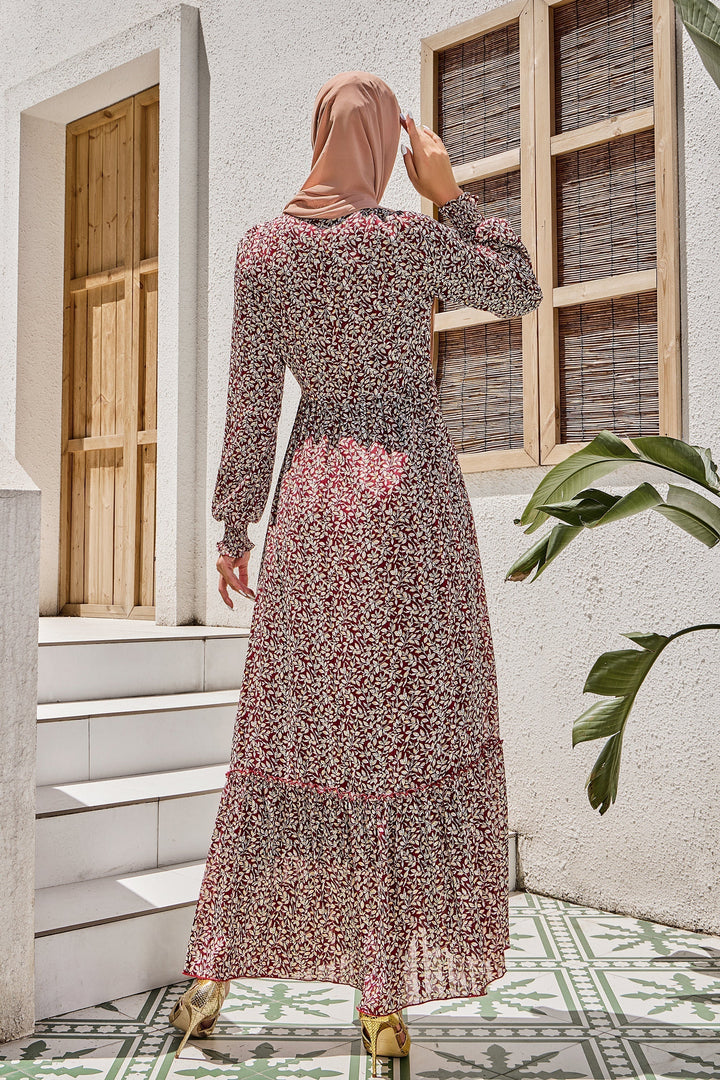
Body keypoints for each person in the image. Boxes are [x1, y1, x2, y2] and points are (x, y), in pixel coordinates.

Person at [169, 70, 542, 1075]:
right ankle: (384, 999)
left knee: (285, 727)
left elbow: (252, 401)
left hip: (315, 503)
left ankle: (210, 976)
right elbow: (519, 287)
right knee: (403, 731)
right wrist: (450, 190)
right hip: (410, 500)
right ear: (383, 144)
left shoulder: (263, 250)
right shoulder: (404, 239)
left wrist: (233, 523)